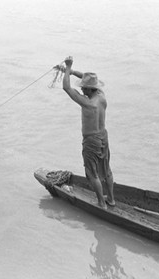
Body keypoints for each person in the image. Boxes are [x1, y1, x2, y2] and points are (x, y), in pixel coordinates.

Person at [58, 56, 115, 209]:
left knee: (92, 173)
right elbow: (86, 78)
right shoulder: (101, 96)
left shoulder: (88, 103)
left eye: (84, 87)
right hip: (103, 136)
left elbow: (67, 88)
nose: (82, 88)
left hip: (92, 140)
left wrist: (68, 67)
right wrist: (69, 71)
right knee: (107, 169)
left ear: (90, 89)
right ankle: (110, 199)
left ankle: (101, 204)